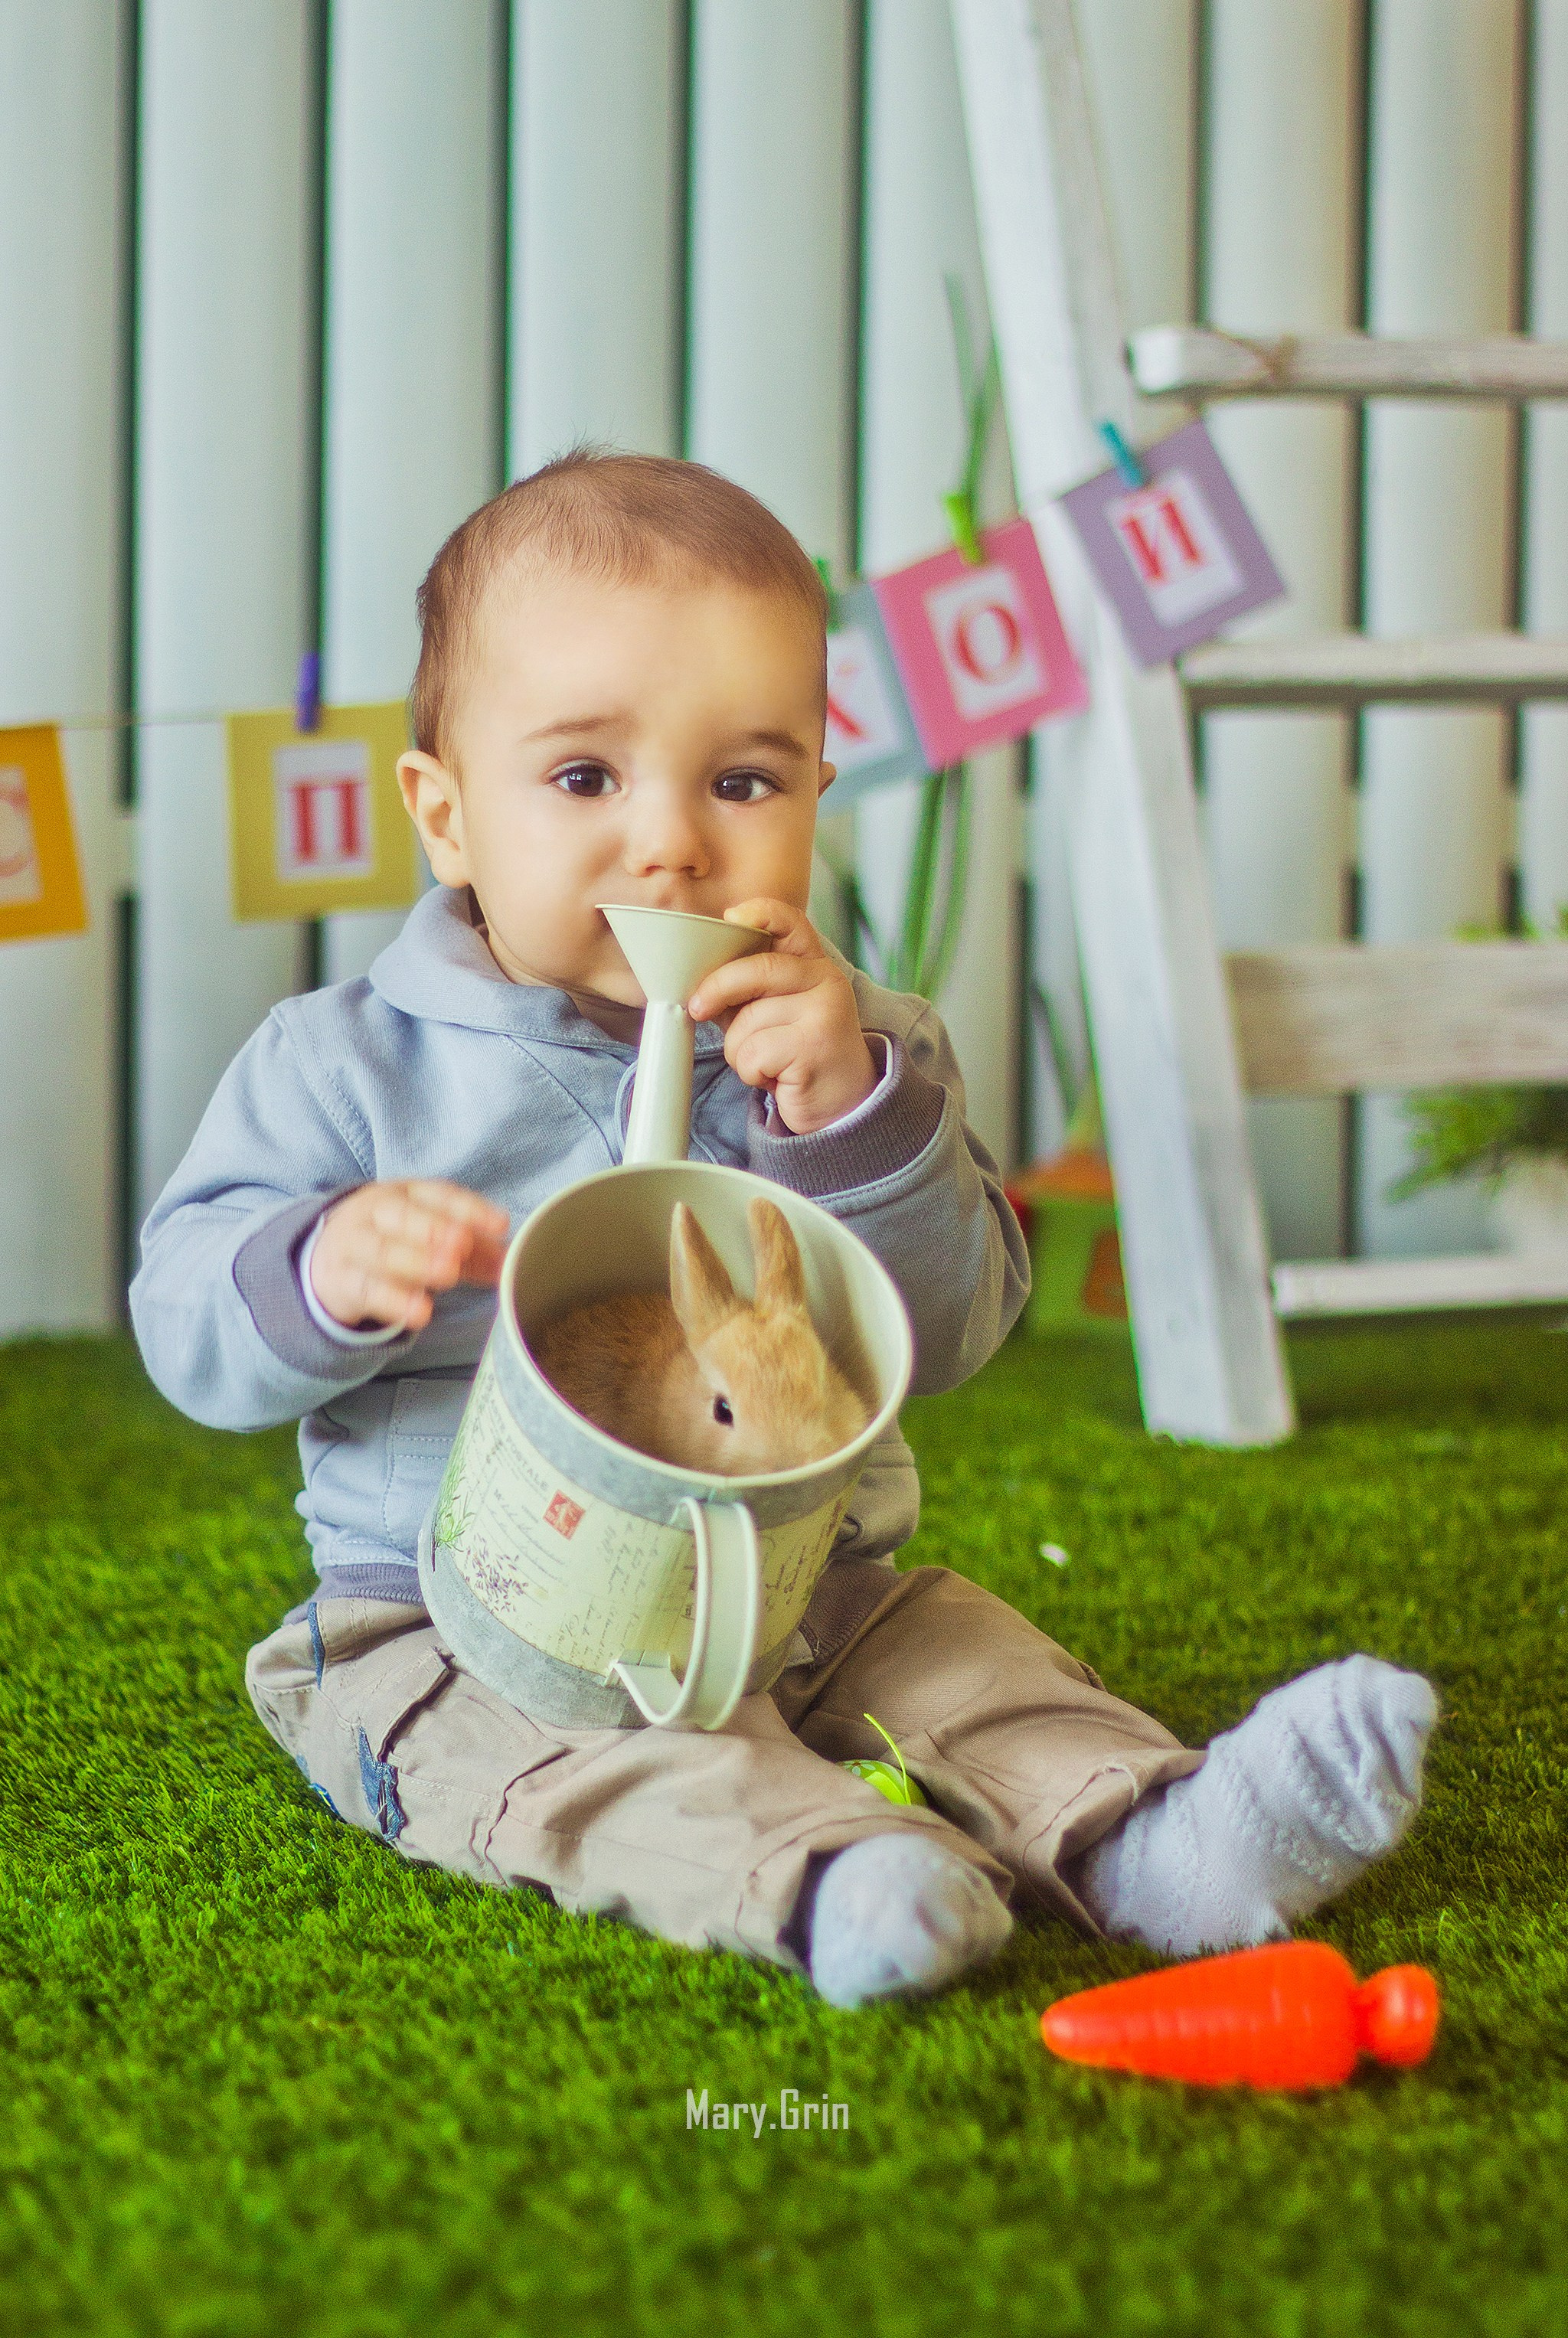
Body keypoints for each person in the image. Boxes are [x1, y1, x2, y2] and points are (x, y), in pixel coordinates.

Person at [129, 450, 1436, 2008]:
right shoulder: (343, 1064)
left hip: (812, 1587)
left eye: (742, 781)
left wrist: (849, 1120)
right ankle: (832, 1875)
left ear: (817, 790)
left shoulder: (855, 1051)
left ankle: (1162, 1839)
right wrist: (316, 1265)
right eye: (583, 779)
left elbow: (949, 1337)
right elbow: (186, 1323)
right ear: (448, 816)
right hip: (472, 1621)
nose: (671, 844)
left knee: (971, 1671)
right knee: (605, 1769)